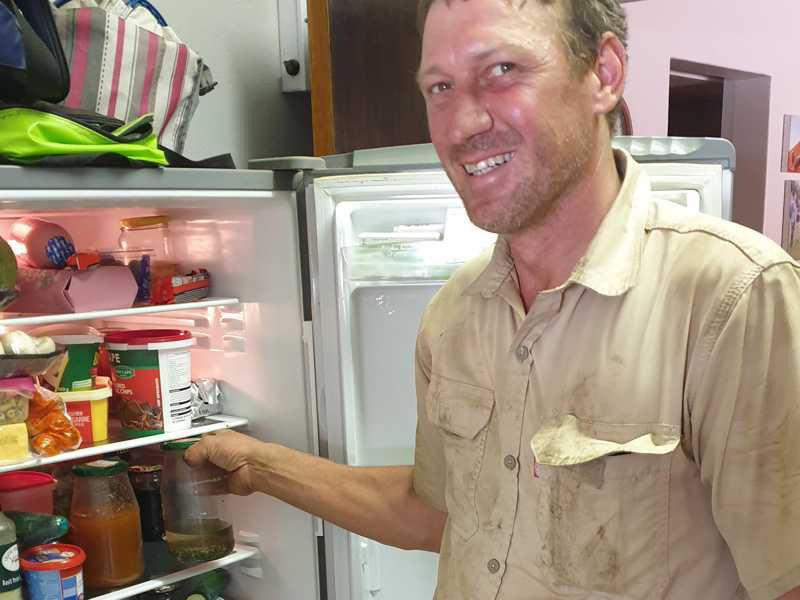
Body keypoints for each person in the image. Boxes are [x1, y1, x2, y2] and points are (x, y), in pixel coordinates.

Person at [186, 0, 800, 598]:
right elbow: (433, 514)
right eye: (440, 88)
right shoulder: (455, 316)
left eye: (502, 71)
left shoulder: (735, 298)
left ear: (603, 75)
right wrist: (262, 466)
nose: (460, 125)